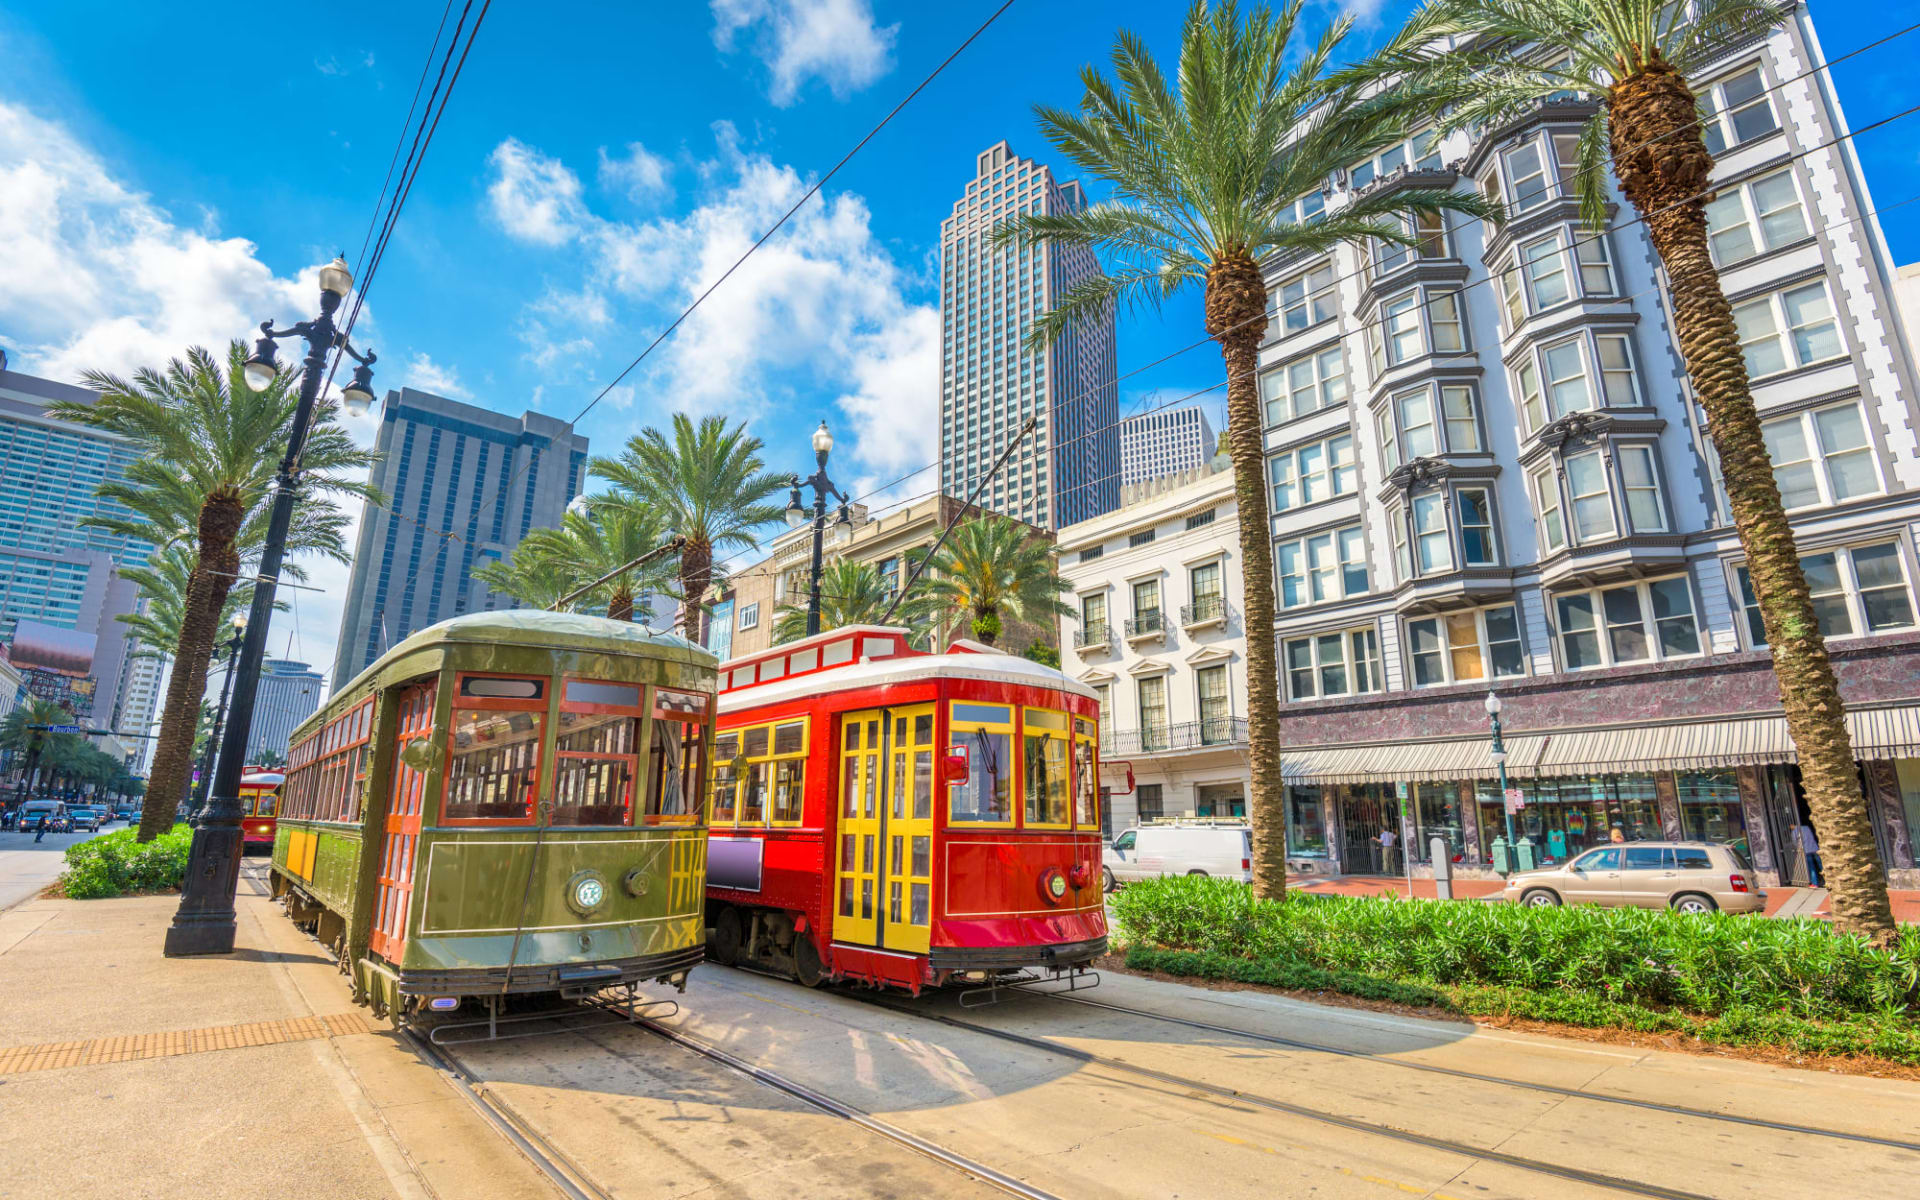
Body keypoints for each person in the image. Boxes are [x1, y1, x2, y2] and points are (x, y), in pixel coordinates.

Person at [1793, 820, 1823, 887]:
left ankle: (1815, 884)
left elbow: (1795, 842)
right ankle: (1827, 879)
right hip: (1815, 848)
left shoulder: (1795, 831)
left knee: (1811, 868)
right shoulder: (1807, 827)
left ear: (1792, 825)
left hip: (1806, 850)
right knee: (1821, 865)